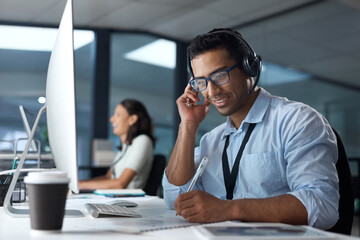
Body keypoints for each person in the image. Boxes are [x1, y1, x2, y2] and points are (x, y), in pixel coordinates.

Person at [162, 28, 339, 230]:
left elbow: (323, 204)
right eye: (201, 82)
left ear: (250, 68)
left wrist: (229, 209)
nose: (211, 92)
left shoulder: (296, 120)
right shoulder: (211, 140)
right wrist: (187, 126)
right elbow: (175, 199)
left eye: (219, 76)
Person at [79, 99, 155, 190]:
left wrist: (80, 185)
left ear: (132, 119)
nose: (111, 119)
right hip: (113, 197)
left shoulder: (143, 140)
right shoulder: (124, 147)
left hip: (128, 201)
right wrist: (80, 183)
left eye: (118, 115)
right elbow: (108, 177)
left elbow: (121, 184)